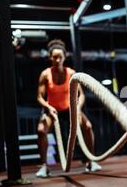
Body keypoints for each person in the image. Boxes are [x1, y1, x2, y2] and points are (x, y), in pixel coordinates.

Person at [35, 39, 101, 177]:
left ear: (65, 57)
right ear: (50, 58)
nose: (57, 60)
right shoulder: (45, 74)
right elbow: (39, 97)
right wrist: (48, 107)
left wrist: (77, 108)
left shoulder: (71, 73)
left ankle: (91, 161)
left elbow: (81, 95)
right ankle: (43, 166)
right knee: (41, 130)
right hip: (52, 110)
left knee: (88, 126)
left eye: (60, 57)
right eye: (55, 57)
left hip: (70, 109)